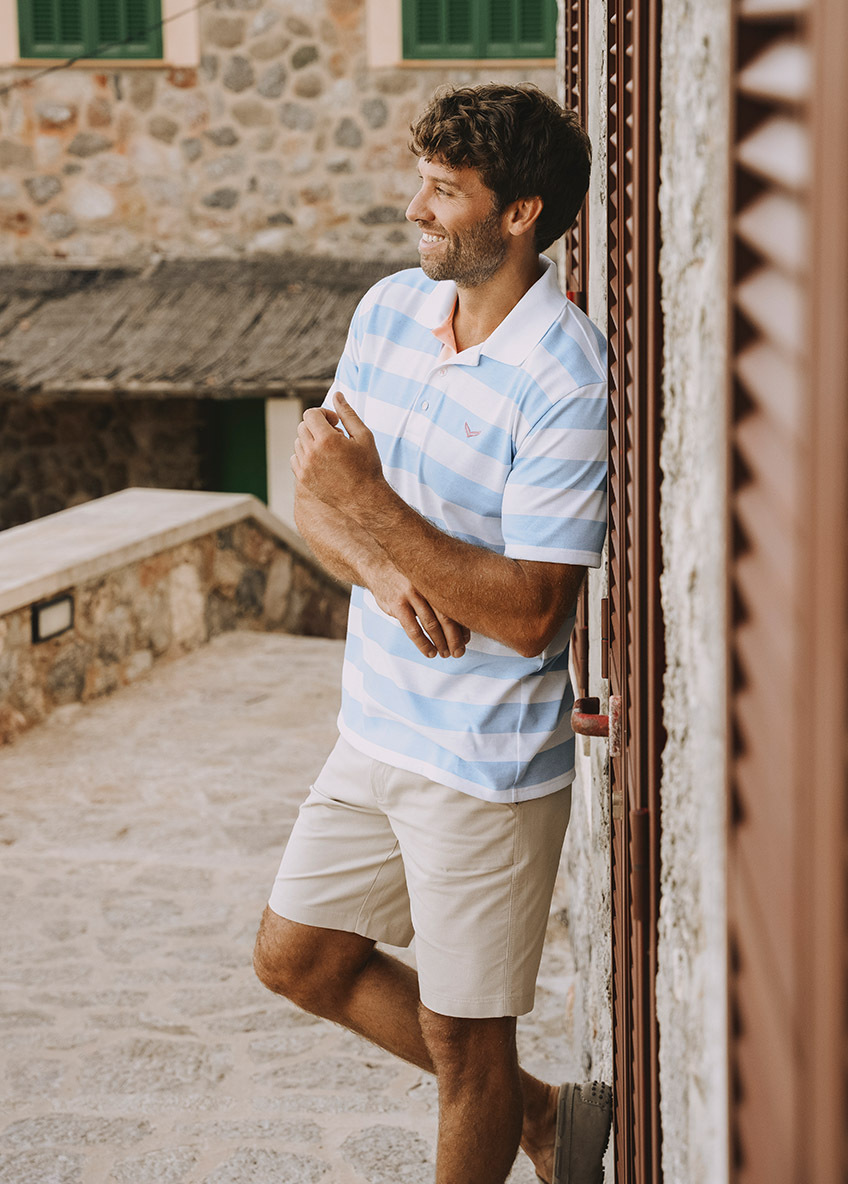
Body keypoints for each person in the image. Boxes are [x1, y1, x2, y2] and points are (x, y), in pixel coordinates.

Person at [254, 83, 611, 1184]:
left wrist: (376, 510)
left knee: (467, 1044)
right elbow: (316, 491)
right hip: (374, 726)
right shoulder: (389, 310)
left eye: (445, 191)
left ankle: (521, 1113)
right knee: (298, 958)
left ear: (519, 214)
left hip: (483, 765)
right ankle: (545, 1119)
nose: (416, 208)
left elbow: (533, 612)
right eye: (422, 181)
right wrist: (377, 563)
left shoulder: (566, 376)